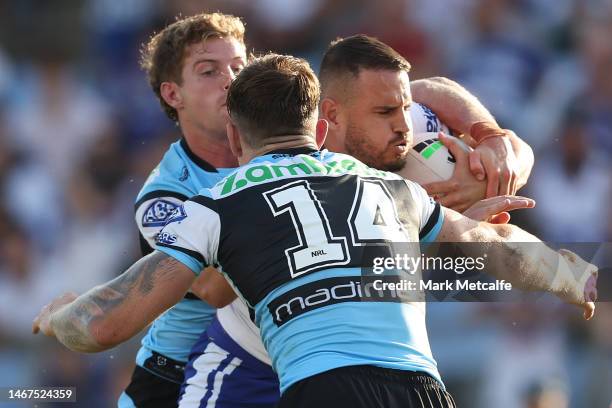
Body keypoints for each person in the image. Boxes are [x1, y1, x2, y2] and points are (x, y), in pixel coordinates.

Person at [32, 53, 597, 408]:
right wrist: (572, 273)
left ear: (235, 138)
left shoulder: (214, 204)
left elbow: (105, 326)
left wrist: (61, 314)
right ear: (322, 124)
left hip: (319, 386)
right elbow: (494, 248)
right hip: (421, 389)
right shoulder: (392, 189)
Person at [178, 35, 536, 407]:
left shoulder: (398, 127)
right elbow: (212, 289)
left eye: (404, 108)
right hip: (254, 363)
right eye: (384, 112)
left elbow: (438, 90)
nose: (402, 123)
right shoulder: (293, 153)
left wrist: (494, 143)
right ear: (330, 117)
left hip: (352, 366)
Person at [122, 13, 247, 407]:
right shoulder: (165, 196)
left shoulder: (283, 151)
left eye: (239, 67)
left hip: (260, 369)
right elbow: (215, 289)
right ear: (173, 94)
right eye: (209, 71)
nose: (230, 80)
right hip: (175, 377)